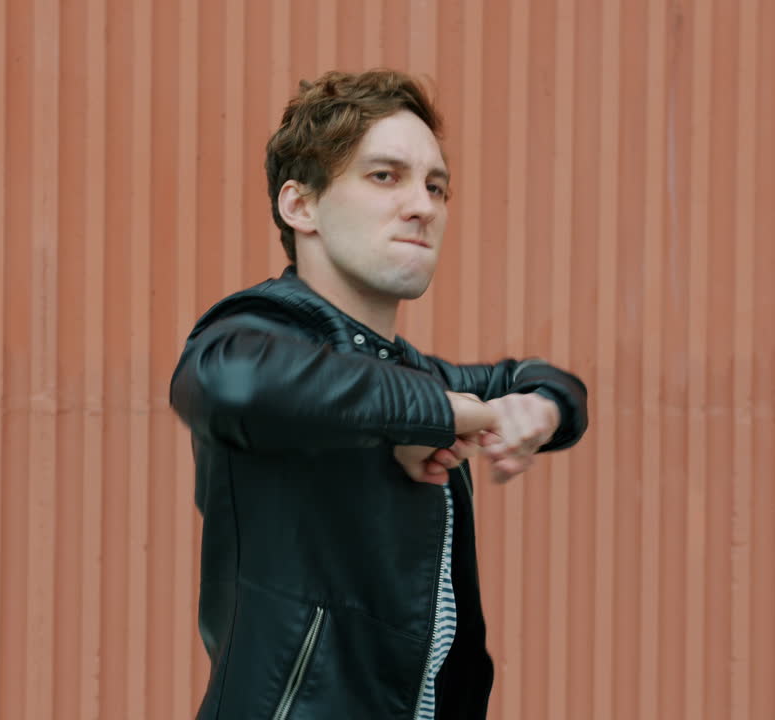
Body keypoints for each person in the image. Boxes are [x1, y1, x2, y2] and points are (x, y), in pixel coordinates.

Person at [170, 69, 588, 720]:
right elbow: (235, 382)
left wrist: (541, 407)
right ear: (300, 206)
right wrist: (443, 413)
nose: (422, 205)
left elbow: (541, 381)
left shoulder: (414, 377)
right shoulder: (255, 335)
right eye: (384, 176)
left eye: (436, 185)